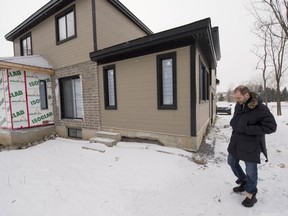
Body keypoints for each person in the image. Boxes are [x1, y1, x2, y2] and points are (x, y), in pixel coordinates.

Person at [227, 85, 277, 207]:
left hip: (251, 145)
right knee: (231, 162)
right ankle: (244, 182)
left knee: (251, 172)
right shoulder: (239, 105)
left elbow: (271, 127)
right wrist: (234, 123)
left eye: (238, 98)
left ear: (247, 95)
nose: (236, 100)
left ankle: (250, 194)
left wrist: (247, 129)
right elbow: (236, 120)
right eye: (236, 98)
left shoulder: (260, 108)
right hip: (236, 142)